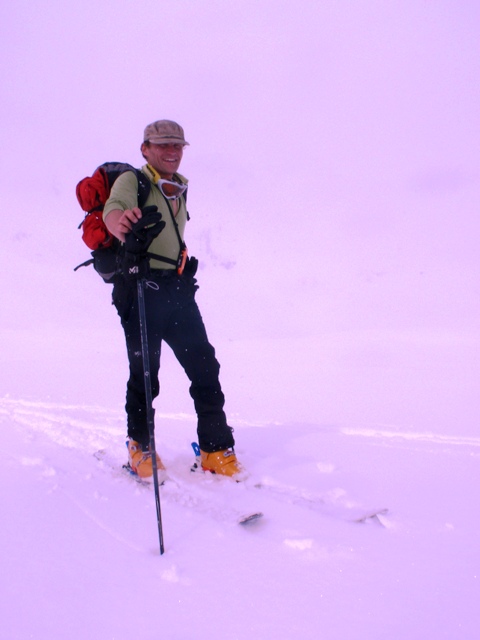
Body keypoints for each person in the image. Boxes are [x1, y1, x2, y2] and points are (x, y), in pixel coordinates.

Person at [103, 119, 241, 479]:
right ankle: (140, 445)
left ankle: (215, 448)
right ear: (145, 149)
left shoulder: (178, 187)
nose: (171, 151)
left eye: (177, 146)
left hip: (176, 289)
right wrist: (122, 226)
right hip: (138, 288)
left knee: (204, 366)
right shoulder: (133, 180)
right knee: (146, 373)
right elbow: (114, 210)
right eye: (163, 145)